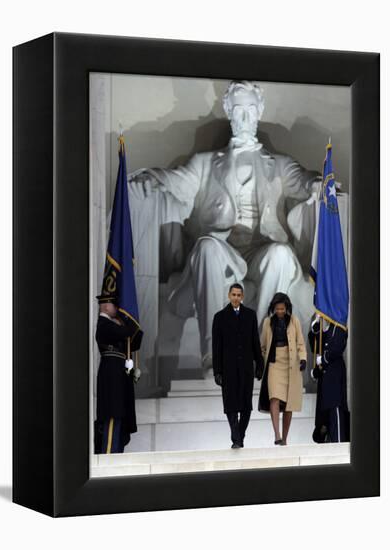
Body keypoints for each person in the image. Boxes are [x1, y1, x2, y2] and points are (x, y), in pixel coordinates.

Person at [129, 80, 321, 377]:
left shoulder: (279, 164)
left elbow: (304, 180)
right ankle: (213, 356)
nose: (245, 118)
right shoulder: (206, 163)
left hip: (262, 252)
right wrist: (152, 177)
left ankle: (259, 350)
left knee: (282, 254)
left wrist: (318, 184)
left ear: (259, 112)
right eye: (239, 110)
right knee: (205, 246)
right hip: (223, 250)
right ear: (230, 113)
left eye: (250, 110)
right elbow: (177, 181)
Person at [212, 283, 264, 448]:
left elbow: (255, 341)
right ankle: (237, 439)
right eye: (233, 295)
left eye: (238, 295)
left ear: (242, 297)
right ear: (229, 296)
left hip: (246, 368)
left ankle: (239, 435)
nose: (235, 298)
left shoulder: (250, 315)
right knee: (231, 405)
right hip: (228, 369)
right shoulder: (219, 317)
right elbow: (216, 347)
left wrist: (260, 365)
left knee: (246, 406)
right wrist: (217, 371)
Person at [94, 298, 143, 454]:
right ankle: (109, 452)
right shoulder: (104, 324)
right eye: (116, 306)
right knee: (112, 415)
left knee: (120, 415)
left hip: (119, 377)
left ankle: (116, 450)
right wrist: (128, 317)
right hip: (111, 377)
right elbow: (126, 332)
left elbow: (134, 340)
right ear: (106, 306)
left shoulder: (114, 325)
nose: (118, 309)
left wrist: (127, 321)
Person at [258, 293, 306, 445]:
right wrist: (260, 364)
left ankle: (285, 438)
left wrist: (303, 358)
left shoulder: (294, 321)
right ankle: (277, 435)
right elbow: (263, 347)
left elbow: (300, 343)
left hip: (290, 363)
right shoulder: (267, 322)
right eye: (277, 308)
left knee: (289, 404)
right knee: (274, 398)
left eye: (282, 309)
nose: (280, 311)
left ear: (287, 308)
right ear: (273, 308)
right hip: (273, 363)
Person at [308, 315, 350, 443]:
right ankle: (330, 440)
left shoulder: (339, 327)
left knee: (335, 407)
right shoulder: (329, 328)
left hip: (335, 375)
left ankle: (338, 440)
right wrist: (316, 327)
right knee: (325, 410)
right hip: (326, 377)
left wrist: (324, 359)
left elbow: (336, 349)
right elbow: (316, 344)